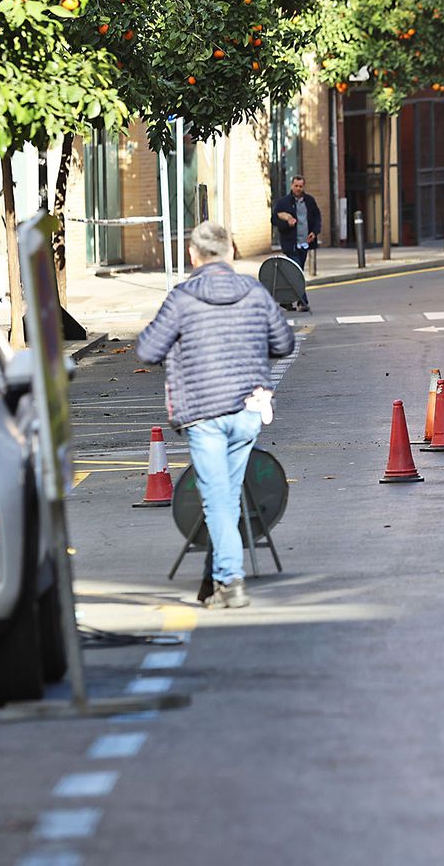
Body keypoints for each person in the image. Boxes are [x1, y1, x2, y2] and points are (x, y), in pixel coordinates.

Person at [136, 221, 295, 610]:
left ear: (193, 255)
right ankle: (218, 577)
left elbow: (148, 351)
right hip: (247, 410)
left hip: (203, 412)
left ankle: (230, 580)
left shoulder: (182, 298)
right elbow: (284, 342)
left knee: (218, 500)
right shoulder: (255, 292)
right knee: (224, 496)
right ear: (231, 252)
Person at [272, 175, 321, 312]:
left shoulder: (310, 201)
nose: (298, 189)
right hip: (290, 244)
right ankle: (302, 301)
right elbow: (274, 220)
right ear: (291, 186)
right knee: (297, 272)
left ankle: (285, 301)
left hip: (305, 243)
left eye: (301, 186)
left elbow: (317, 217)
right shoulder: (284, 202)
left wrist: (315, 232)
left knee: (293, 273)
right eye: (296, 186)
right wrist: (287, 223)